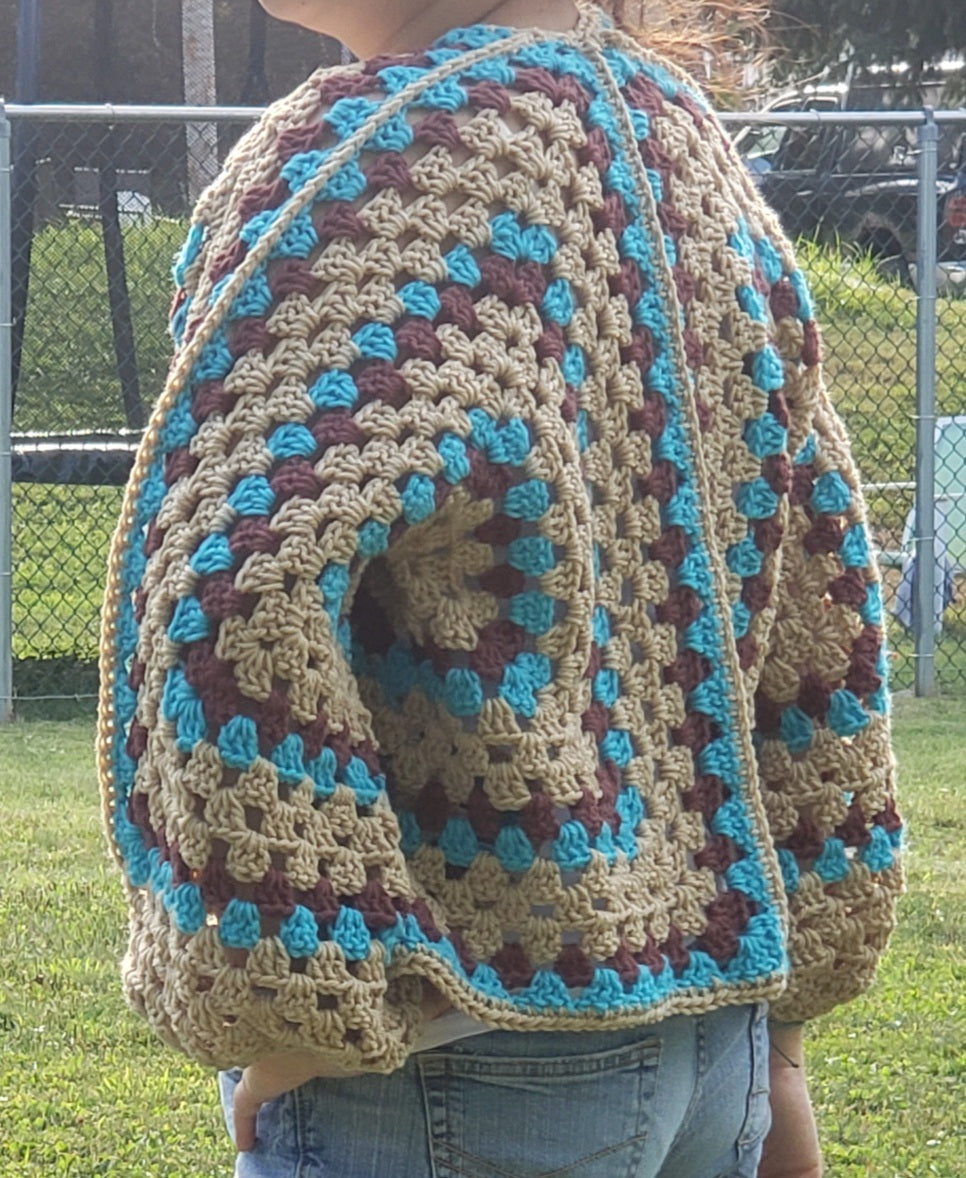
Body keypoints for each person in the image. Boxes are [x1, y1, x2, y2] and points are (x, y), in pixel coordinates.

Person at [97, 1, 903, 1175]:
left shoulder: (373, 161)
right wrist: (782, 1029)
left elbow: (227, 593)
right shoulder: (680, 140)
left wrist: (290, 1014)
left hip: (456, 1054)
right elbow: (816, 587)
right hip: (713, 1034)